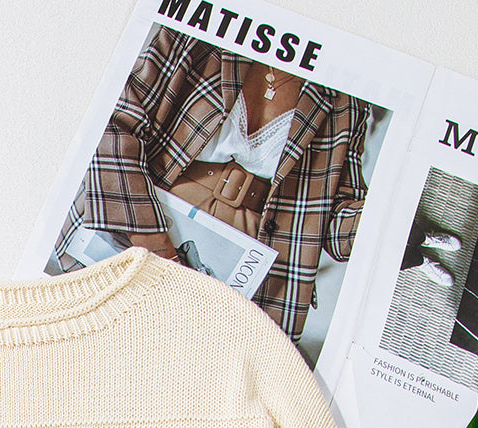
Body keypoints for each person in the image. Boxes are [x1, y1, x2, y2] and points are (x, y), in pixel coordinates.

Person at [54, 27, 370, 344]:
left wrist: (383, 223)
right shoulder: (203, 29)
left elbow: (334, 226)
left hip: (247, 282)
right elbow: (114, 124)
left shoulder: (349, 98)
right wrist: (159, 252)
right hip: (140, 225)